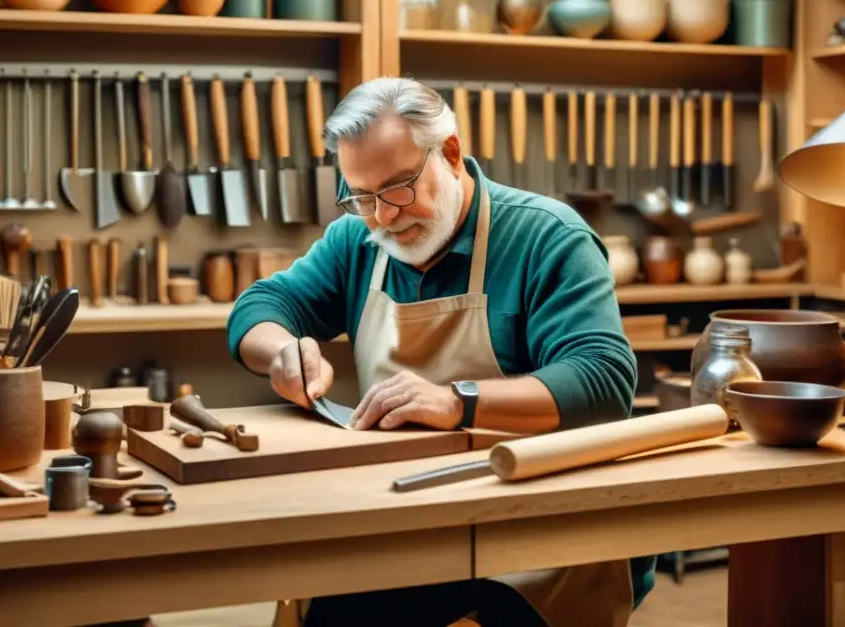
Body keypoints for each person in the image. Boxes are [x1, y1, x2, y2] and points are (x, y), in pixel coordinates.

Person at [226, 77, 654, 627]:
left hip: (540, 529)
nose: (383, 216)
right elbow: (258, 306)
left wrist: (459, 401)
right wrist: (282, 349)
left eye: (399, 188)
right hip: (409, 514)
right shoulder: (358, 240)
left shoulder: (548, 237)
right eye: (361, 195)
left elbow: (602, 382)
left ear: (450, 153)